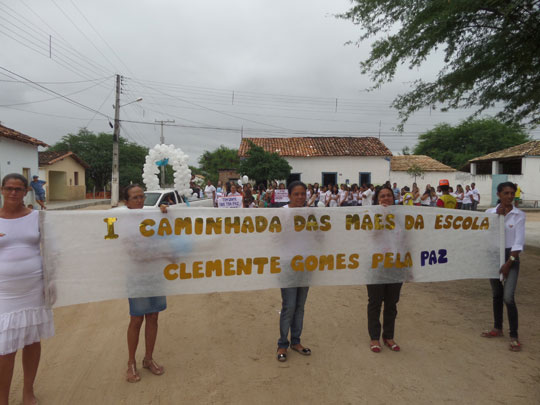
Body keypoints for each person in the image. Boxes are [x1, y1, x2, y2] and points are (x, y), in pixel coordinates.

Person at [0, 173, 55, 404]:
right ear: (2, 190)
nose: (13, 192)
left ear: (26, 192)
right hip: (4, 293)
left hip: (34, 288)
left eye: (18, 189)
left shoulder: (37, 218)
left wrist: (51, 284)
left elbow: (53, 250)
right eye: (9, 188)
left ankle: (28, 392)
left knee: (32, 342)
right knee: (5, 349)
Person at [124, 185, 167, 383]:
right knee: (136, 319)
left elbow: (167, 235)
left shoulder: (153, 218)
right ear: (127, 202)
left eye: (142, 196)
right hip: (136, 276)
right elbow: (134, 253)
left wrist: (166, 214)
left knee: (153, 316)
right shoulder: (123, 222)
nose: (140, 200)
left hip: (155, 275)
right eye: (135, 197)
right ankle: (131, 362)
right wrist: (160, 254)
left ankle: (148, 359)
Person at [482, 182, 525, 352]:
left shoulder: (519, 215)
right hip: (493, 255)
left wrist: (509, 263)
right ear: (499, 194)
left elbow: (518, 242)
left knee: (508, 297)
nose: (509, 196)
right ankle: (497, 328)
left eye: (512, 193)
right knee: (496, 294)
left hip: (511, 257)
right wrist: (495, 219)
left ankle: (514, 335)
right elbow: (485, 235)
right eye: (506, 193)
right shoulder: (489, 213)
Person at [277, 181, 311, 362]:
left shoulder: (309, 214)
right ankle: (282, 343)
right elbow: (274, 236)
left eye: (303, 194)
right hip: (287, 265)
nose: (300, 197)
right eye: (296, 194)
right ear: (289, 195)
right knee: (289, 306)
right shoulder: (282, 213)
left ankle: (296, 341)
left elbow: (318, 236)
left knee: (300, 306)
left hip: (306, 266)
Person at [367, 185, 402, 353]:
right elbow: (368, 237)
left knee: (392, 303)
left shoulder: (402, 217)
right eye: (382, 196)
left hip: (396, 264)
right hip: (375, 264)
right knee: (375, 302)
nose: (386, 199)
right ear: (377, 200)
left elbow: (407, 240)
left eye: (389, 196)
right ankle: (374, 338)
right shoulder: (370, 216)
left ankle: (388, 336)